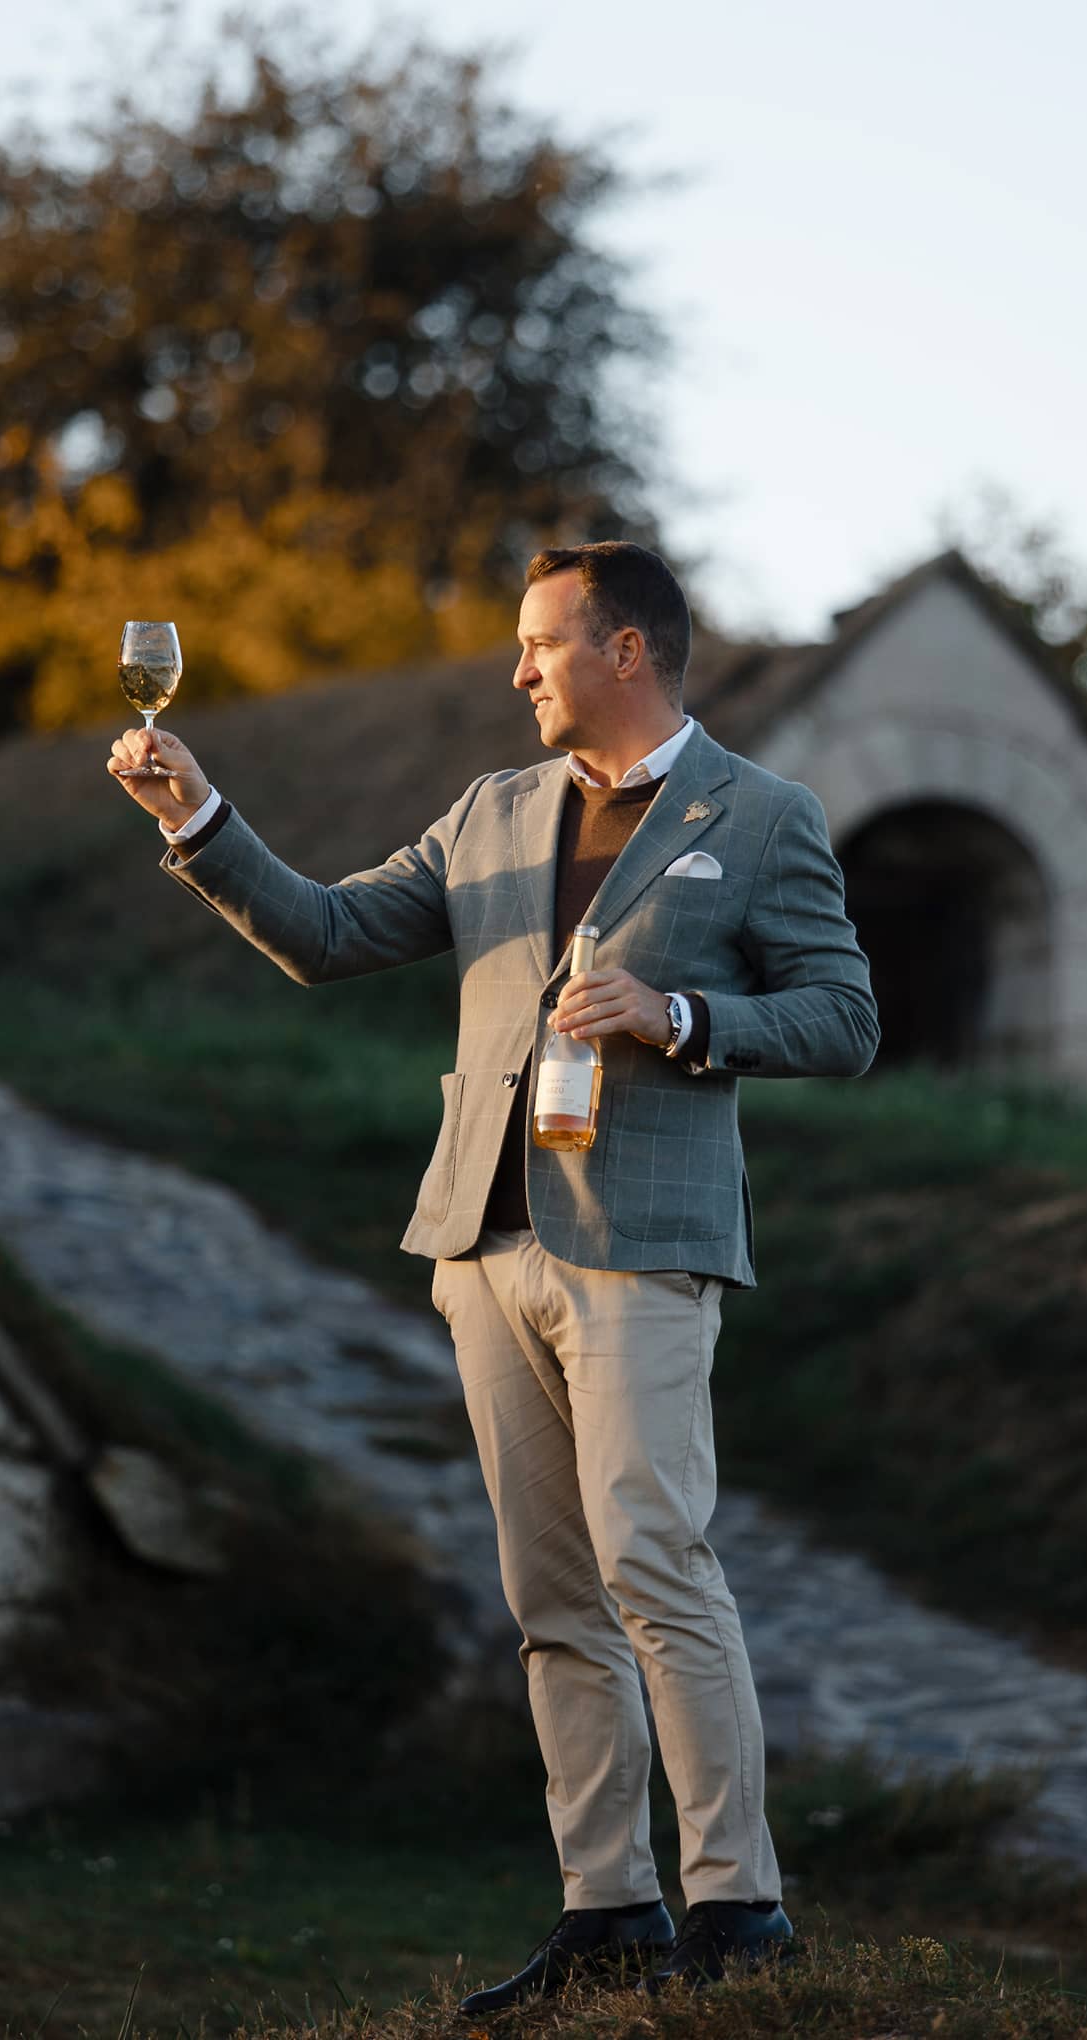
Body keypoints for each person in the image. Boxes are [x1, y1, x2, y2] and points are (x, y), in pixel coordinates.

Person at [108, 542, 878, 2005]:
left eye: (540, 643)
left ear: (627, 651)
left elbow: (842, 1020)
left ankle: (738, 1911)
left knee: (655, 1564)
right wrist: (193, 814)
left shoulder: (761, 817)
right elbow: (329, 936)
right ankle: (609, 1917)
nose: (516, 670)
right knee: (550, 1597)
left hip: (643, 1250)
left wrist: (680, 1011)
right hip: (485, 1245)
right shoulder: (493, 810)